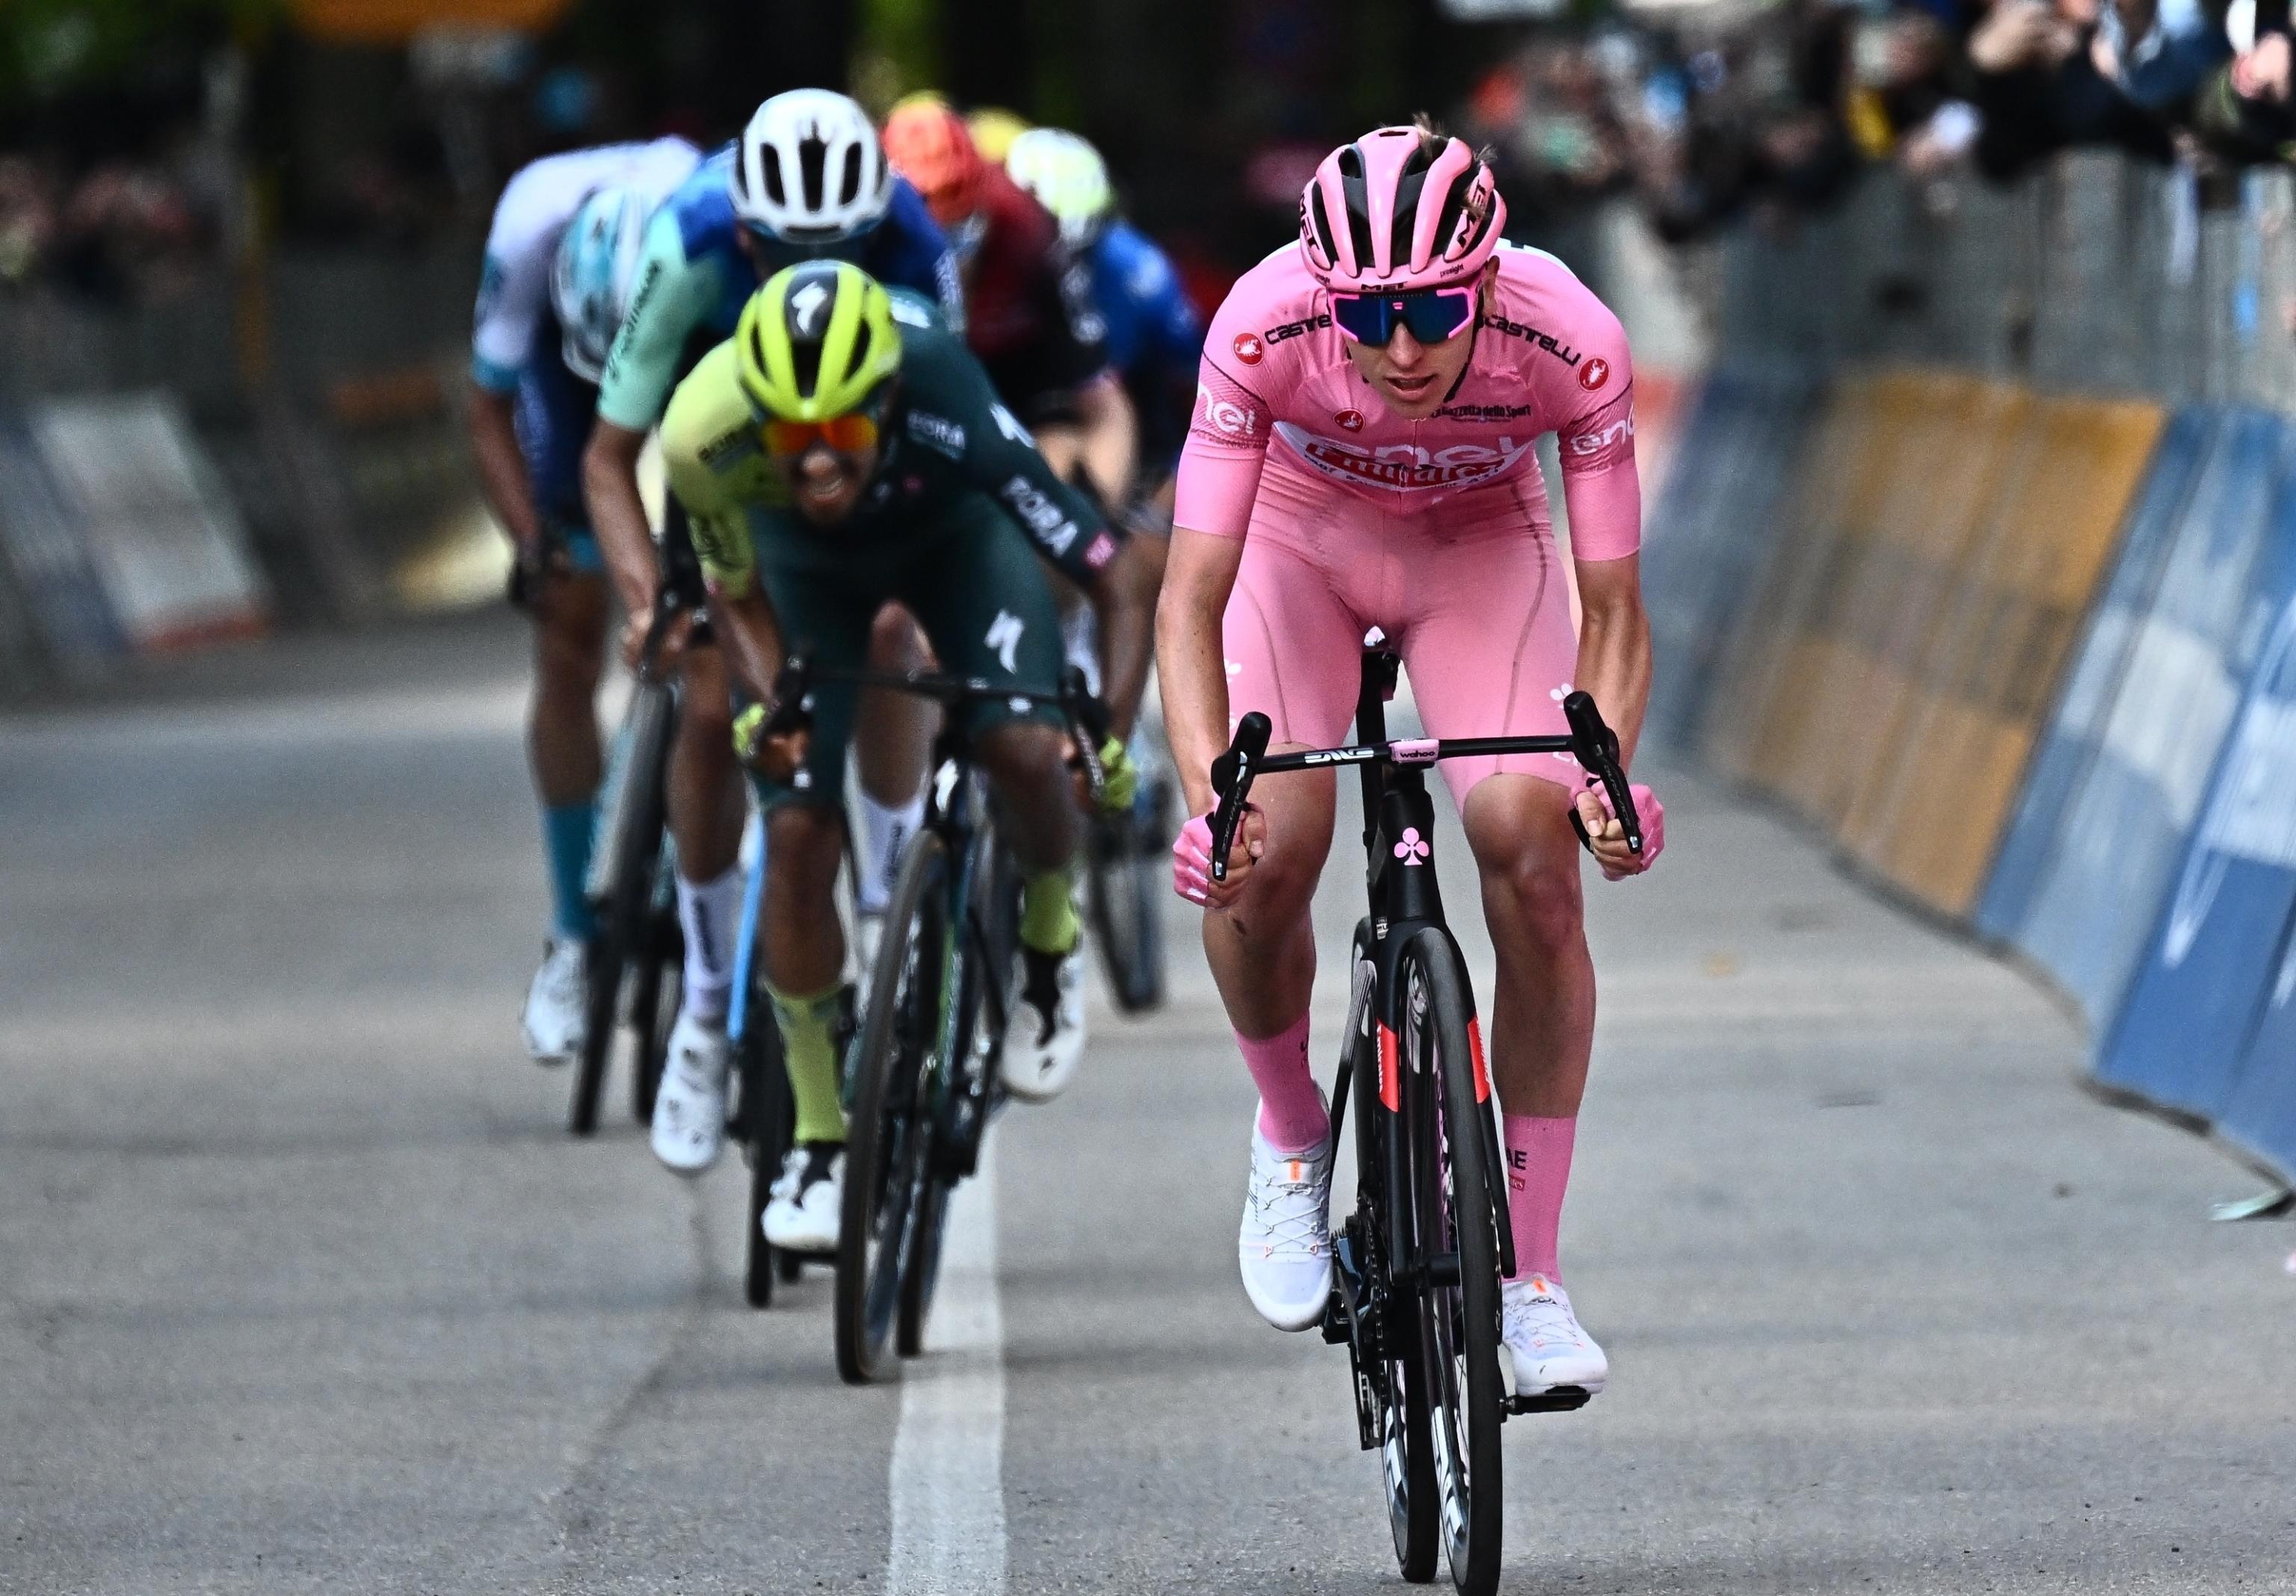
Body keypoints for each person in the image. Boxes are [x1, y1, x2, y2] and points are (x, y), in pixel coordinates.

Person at [1156, 123, 1666, 1403]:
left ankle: (1531, 1282)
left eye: (1435, 308)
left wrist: (1602, 786)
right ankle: (1288, 1139)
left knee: (1528, 852)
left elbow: (1611, 614)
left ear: (1487, 279)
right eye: (1368, 314)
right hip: (1297, 548)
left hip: (1479, 548)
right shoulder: (1262, 326)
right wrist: (1204, 795)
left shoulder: (1568, 335)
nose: (1400, 347)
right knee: (1266, 855)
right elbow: (1186, 602)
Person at [658, 260, 1156, 1245]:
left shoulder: (944, 395)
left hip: (954, 542)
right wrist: (776, 702)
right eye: (789, 440)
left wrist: (1104, 724)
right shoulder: (699, 437)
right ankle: (815, 1138)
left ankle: (1050, 951)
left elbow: (1114, 581)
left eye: (839, 433)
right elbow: (734, 594)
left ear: (886, 400)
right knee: (797, 829)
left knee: (1021, 744)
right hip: (797, 572)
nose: (812, 464)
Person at [579, 90, 965, 1177]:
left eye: (840, 246)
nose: (814, 264)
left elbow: (946, 416)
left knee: (888, 635)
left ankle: (887, 891)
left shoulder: (913, 238)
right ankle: (704, 1011)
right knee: (712, 703)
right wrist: (647, 597)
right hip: (725, 445)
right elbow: (612, 458)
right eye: (788, 250)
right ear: (745, 233)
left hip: (858, 442)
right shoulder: (690, 243)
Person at [465, 134, 700, 1063]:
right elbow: (485, 408)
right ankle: (573, 931)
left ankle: (708, 865)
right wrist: (530, 542)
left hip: (698, 354)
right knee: (567, 624)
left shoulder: (713, 232)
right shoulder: (529, 222)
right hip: (569, 381)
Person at [880, 98, 1137, 510]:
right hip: (906, 407)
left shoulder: (1030, 233)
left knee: (1059, 458)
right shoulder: (868, 246)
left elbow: (1104, 406)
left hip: (1017, 394)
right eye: (929, 241)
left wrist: (1100, 517)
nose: (949, 263)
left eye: (962, 234)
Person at [1004, 127, 1203, 531]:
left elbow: (1204, 384)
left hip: (1138, 437)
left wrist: (1183, 474)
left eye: (1081, 252)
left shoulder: (1143, 272)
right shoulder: (988, 271)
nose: (1066, 273)